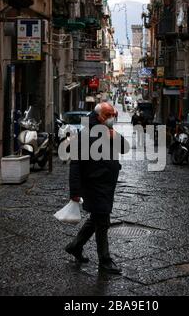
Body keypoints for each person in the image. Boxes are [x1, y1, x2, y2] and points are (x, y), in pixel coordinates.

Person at [65, 102, 130, 274]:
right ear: (99, 115)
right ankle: (105, 261)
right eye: (108, 115)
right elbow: (76, 164)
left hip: (107, 184)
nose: (111, 118)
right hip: (94, 184)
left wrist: (113, 135)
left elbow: (125, 148)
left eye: (113, 115)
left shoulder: (108, 131)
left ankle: (75, 246)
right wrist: (75, 192)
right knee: (102, 221)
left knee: (96, 218)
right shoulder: (86, 133)